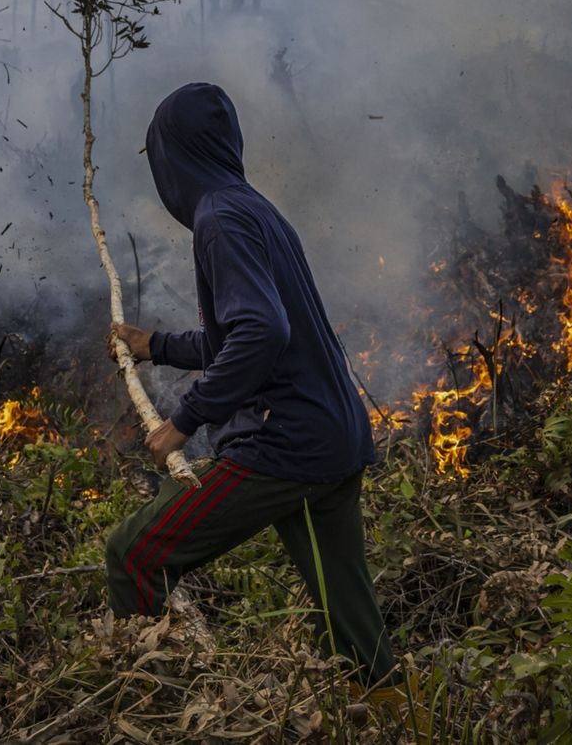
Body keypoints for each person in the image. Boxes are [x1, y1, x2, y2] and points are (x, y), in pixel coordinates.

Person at [104, 82, 396, 689]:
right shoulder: (251, 207)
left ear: (173, 157)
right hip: (333, 436)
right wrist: (155, 346)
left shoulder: (218, 217)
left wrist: (184, 419)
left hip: (284, 444)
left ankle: (154, 708)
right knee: (349, 624)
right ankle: (391, 710)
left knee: (134, 554)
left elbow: (261, 330)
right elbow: (239, 332)